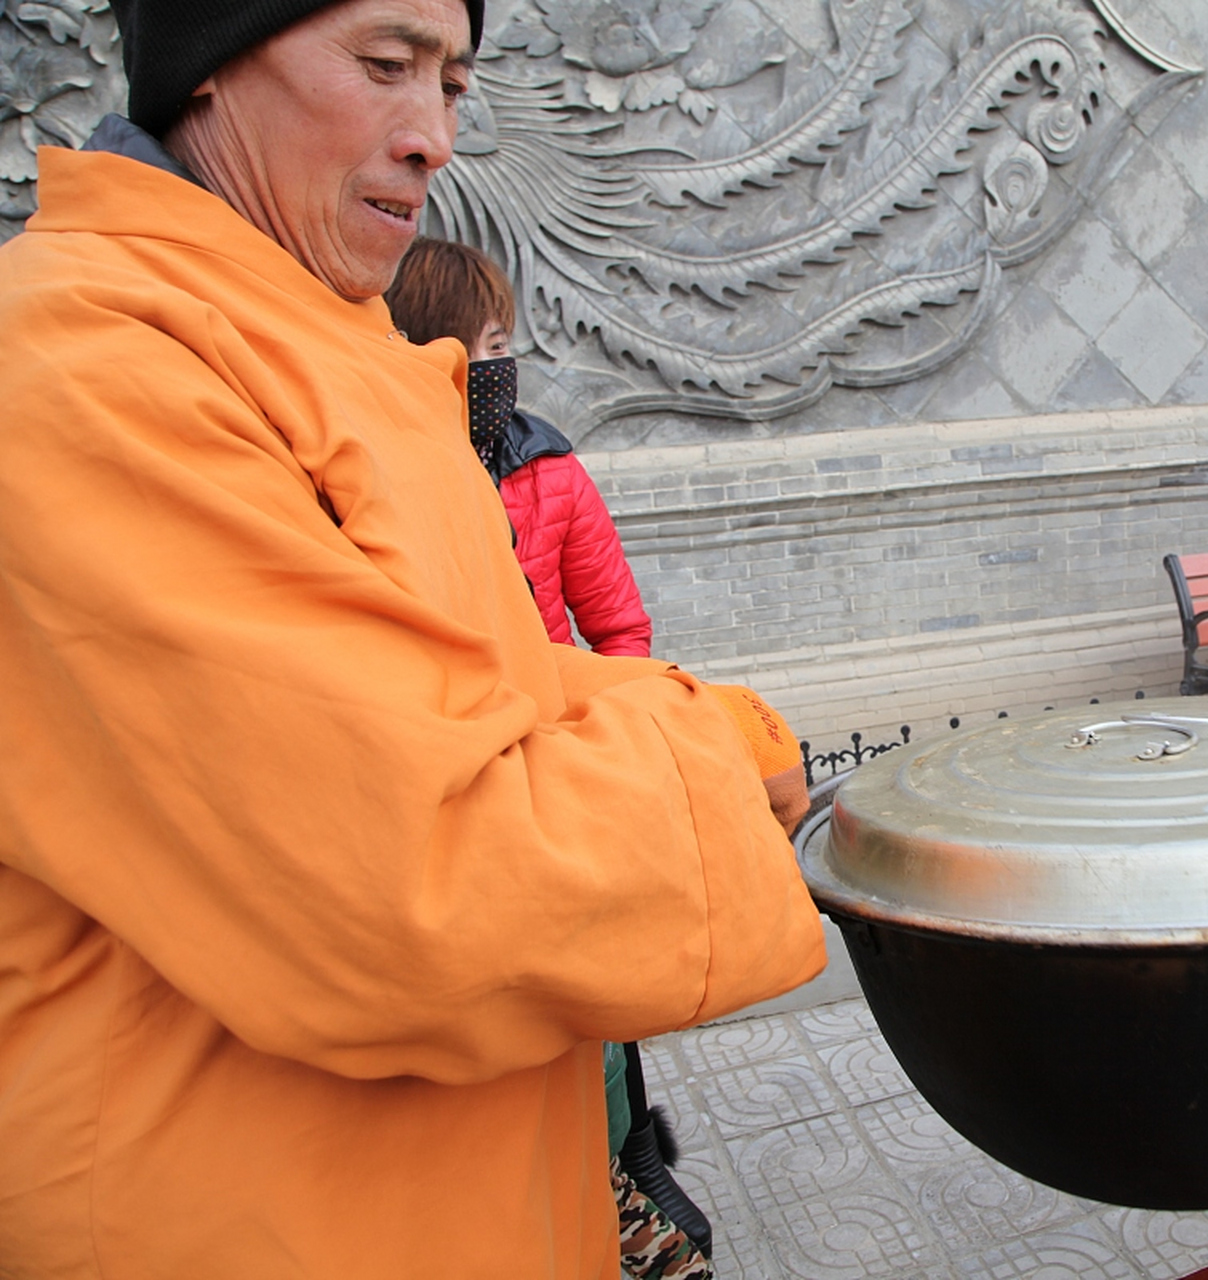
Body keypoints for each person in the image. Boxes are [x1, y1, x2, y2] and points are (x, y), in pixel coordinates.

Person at [0, 1, 824, 1276]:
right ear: (208, 68)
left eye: (451, 82)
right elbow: (410, 870)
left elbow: (460, 676)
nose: (434, 136)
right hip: (249, 1216)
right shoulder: (88, 358)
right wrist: (707, 754)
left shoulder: (323, 330)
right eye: (386, 67)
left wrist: (679, 711)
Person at [386, 236, 708, 1276]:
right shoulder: (377, 474)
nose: (503, 365)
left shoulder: (549, 468)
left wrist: (601, 736)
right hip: (443, 782)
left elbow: (619, 628)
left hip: (559, 770)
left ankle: (625, 1155)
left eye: (505, 344)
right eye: (485, 344)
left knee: (593, 1005)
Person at [386, 237, 655, 658]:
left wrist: (593, 717)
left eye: (496, 347)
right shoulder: (364, 467)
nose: (486, 366)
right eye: (458, 348)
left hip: (554, 709)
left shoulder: (550, 468)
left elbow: (621, 630)